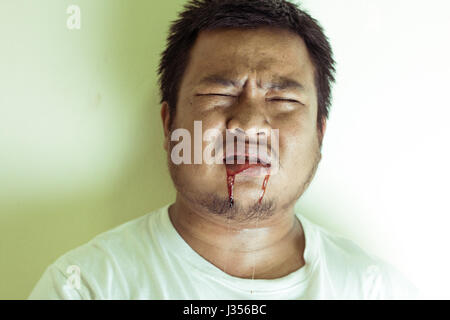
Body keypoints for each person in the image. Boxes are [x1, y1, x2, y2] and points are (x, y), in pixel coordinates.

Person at [28, 0, 419, 299]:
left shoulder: (375, 289)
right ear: (169, 125)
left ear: (319, 132)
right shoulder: (86, 285)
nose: (249, 124)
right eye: (219, 92)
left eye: (283, 99)